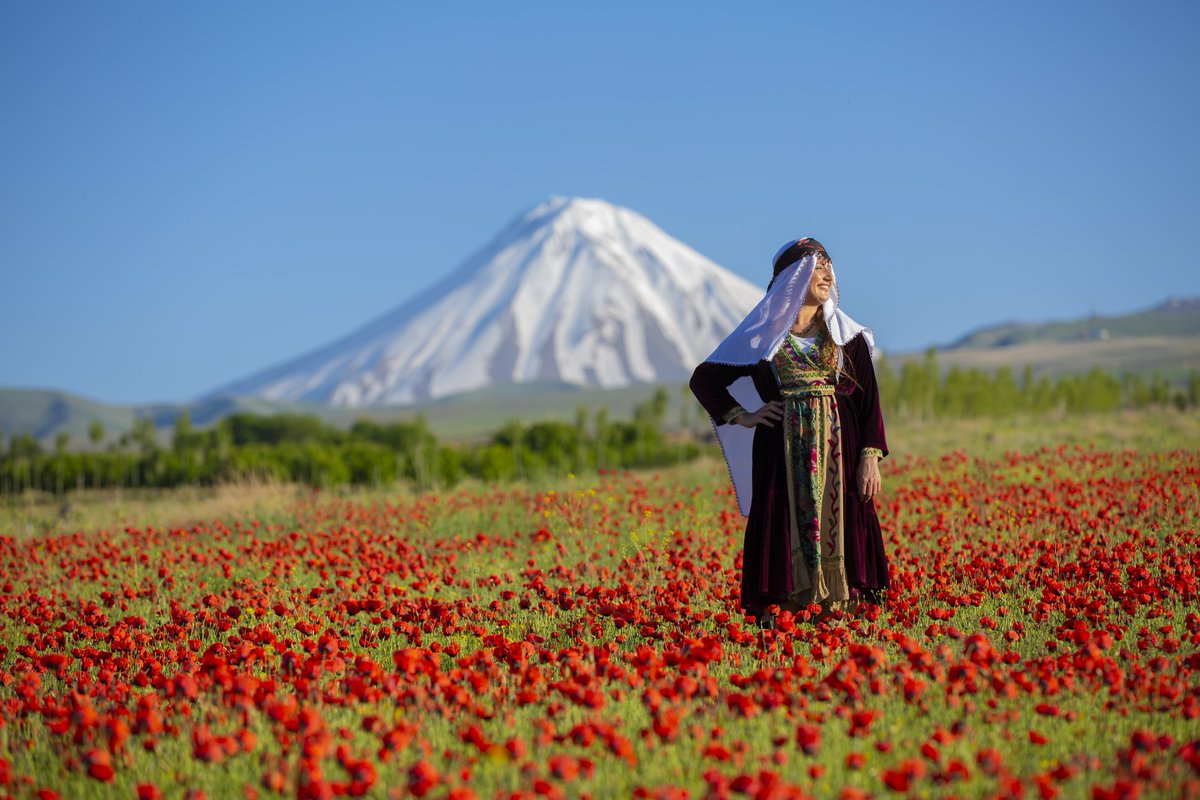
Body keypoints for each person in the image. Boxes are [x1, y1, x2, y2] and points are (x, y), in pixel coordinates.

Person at [689, 238, 889, 628]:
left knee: (842, 522)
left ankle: (837, 609)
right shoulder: (764, 337)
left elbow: (869, 402)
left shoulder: (847, 337)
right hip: (781, 455)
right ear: (794, 278)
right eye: (817, 266)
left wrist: (869, 457)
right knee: (784, 521)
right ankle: (789, 612)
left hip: (840, 456)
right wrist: (742, 415)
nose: (828, 273)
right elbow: (706, 379)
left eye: (830, 264)